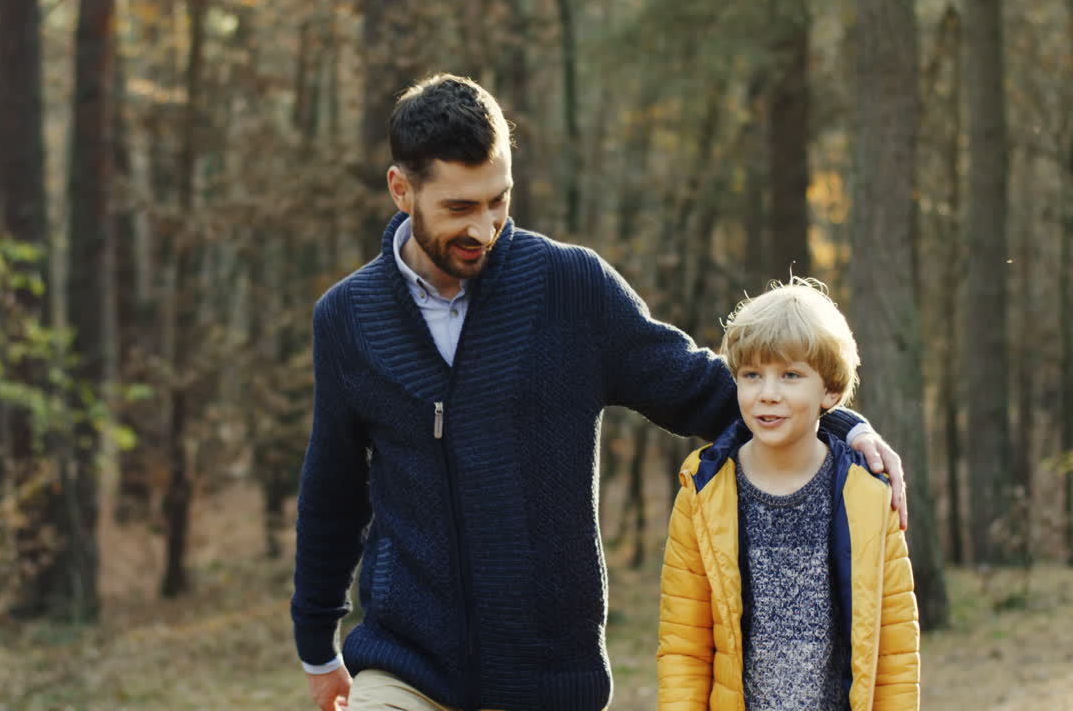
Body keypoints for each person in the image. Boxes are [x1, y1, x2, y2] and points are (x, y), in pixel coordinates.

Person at [292, 73, 905, 711]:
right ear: (401, 190)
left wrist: (841, 423)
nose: (485, 227)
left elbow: (704, 388)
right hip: (406, 667)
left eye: (499, 200)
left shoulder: (571, 287)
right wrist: (317, 646)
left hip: (551, 681)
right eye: (459, 208)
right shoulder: (348, 318)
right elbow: (333, 491)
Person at [656, 278, 919, 710]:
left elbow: (895, 655)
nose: (768, 394)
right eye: (752, 375)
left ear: (830, 390)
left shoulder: (869, 495)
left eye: (791, 375)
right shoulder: (703, 491)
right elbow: (684, 647)